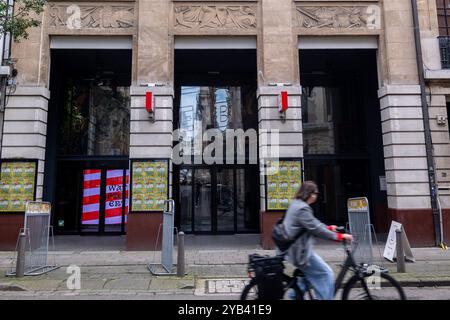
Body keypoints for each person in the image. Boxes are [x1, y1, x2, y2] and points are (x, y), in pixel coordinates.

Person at [283, 181, 353, 300]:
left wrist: (329, 228)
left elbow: (312, 224)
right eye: (315, 193)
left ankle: (294, 296)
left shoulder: (297, 204)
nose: (316, 196)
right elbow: (316, 229)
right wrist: (339, 237)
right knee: (326, 274)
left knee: (307, 277)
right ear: (309, 194)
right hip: (300, 252)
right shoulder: (302, 209)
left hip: (295, 248)